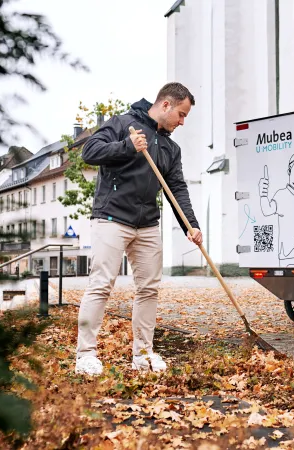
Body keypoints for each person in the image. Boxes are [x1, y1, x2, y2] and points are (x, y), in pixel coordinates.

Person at [74, 82, 203, 375]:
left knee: (148, 289)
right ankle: (85, 355)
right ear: (166, 105)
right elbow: (90, 151)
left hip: (146, 224)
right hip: (112, 217)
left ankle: (143, 355)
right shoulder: (123, 123)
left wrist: (190, 224)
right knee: (101, 284)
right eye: (181, 114)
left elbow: (176, 188)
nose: (182, 122)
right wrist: (126, 146)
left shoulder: (171, 147)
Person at [258, 153, 294, 266]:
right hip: (287, 258)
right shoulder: (281, 195)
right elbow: (267, 210)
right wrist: (263, 193)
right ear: (289, 171)